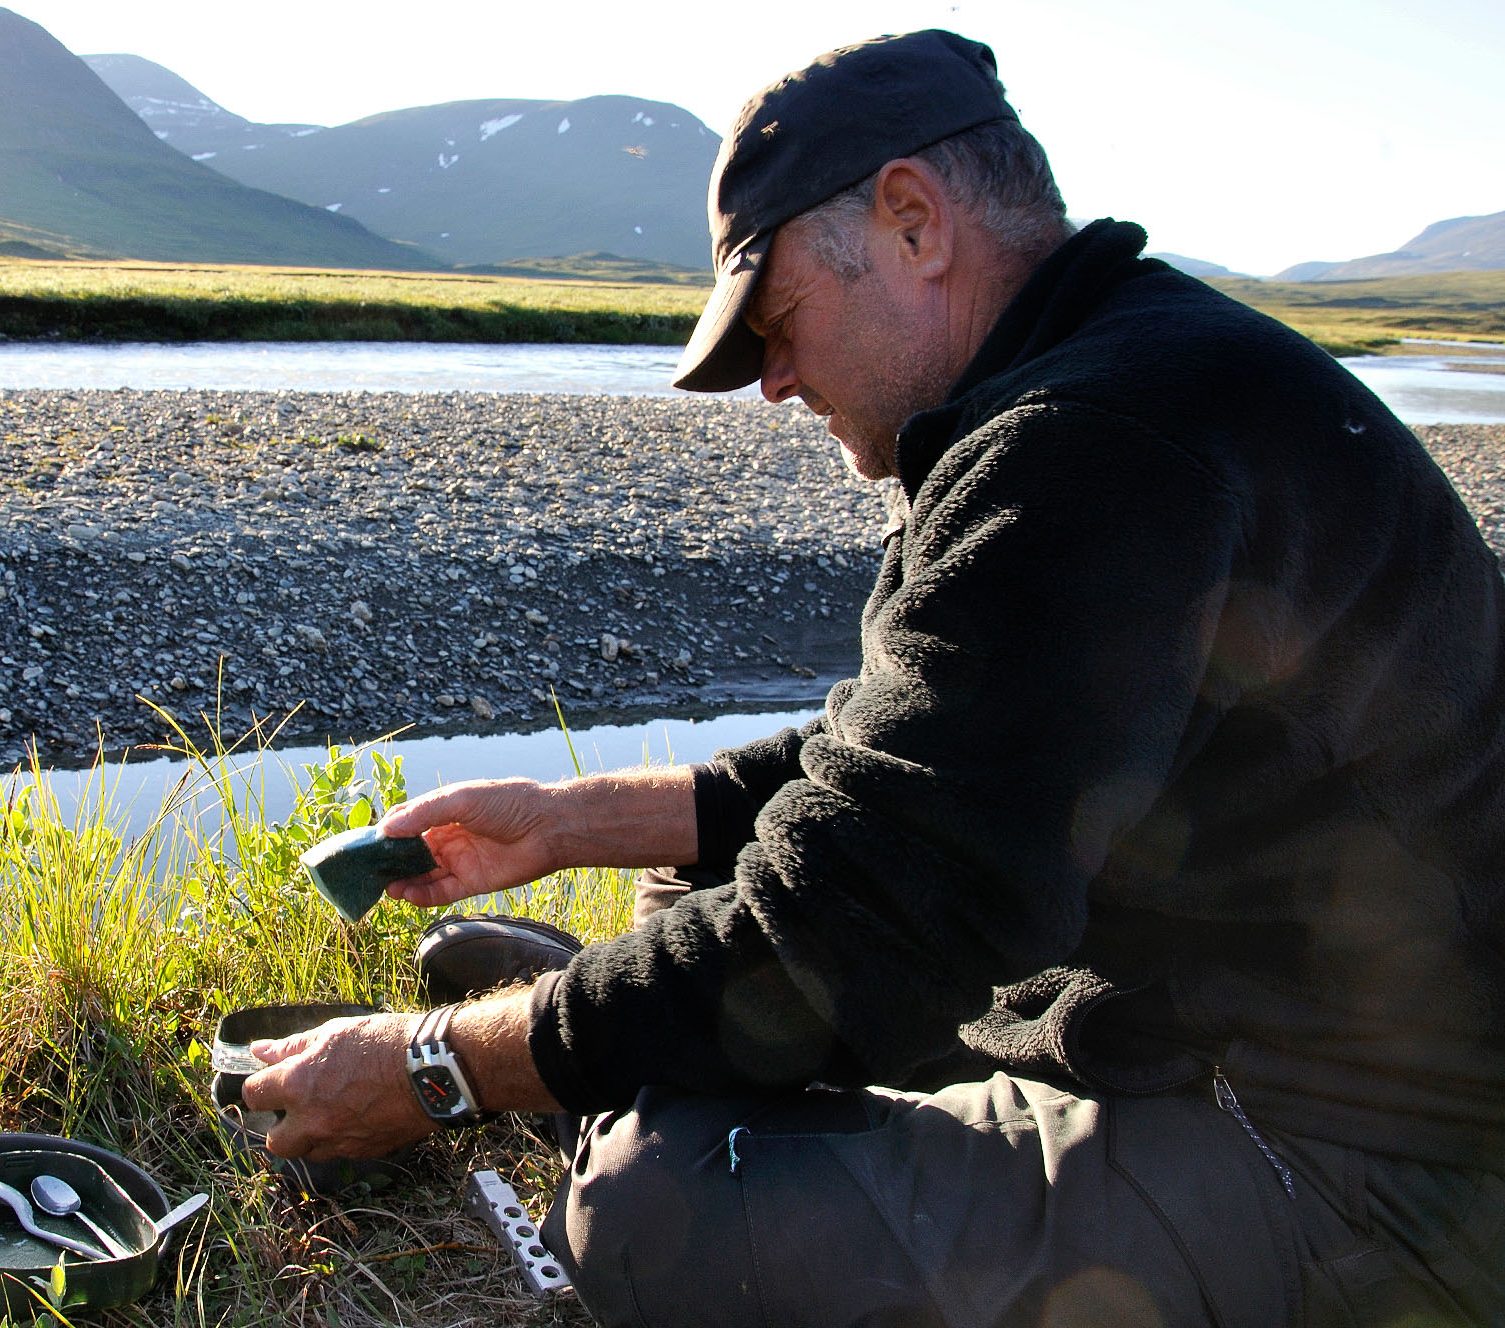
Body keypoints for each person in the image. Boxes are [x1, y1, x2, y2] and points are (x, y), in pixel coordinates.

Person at [240, 29, 1505, 1326]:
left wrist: (439, 1068)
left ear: (913, 220)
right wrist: (569, 822)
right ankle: (621, 1033)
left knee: (655, 1205)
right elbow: (912, 770)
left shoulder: (1087, 446)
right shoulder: (1120, 377)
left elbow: (870, 919)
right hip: (1177, 1010)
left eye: (778, 324)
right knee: (715, 884)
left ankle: (615, 1079)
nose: (775, 382)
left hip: (1365, 1157)